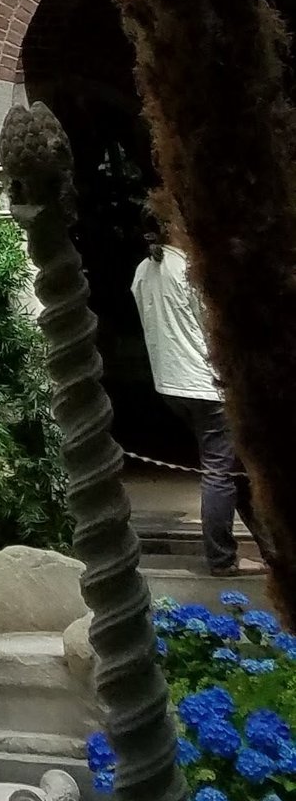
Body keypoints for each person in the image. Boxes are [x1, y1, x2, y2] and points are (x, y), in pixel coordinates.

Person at [133, 195, 254, 577]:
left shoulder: (143, 271)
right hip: (205, 384)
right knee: (221, 470)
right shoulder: (188, 271)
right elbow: (215, 328)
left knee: (235, 466)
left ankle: (270, 545)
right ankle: (221, 556)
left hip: (173, 384)